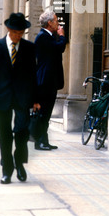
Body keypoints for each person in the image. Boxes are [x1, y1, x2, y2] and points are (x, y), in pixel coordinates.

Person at [0, 13, 40, 184]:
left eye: (22, 33)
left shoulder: (29, 48)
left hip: (23, 97)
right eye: (16, 33)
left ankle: (19, 163)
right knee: (4, 135)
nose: (19, 36)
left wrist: (36, 99)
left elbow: (33, 74)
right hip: (3, 96)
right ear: (9, 30)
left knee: (21, 132)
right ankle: (7, 170)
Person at [34, 11, 67, 151]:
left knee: (46, 114)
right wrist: (62, 36)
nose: (58, 24)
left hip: (50, 80)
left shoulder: (49, 36)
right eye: (55, 21)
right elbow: (59, 48)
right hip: (45, 81)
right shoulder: (43, 37)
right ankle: (39, 142)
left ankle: (44, 140)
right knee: (43, 113)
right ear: (49, 23)